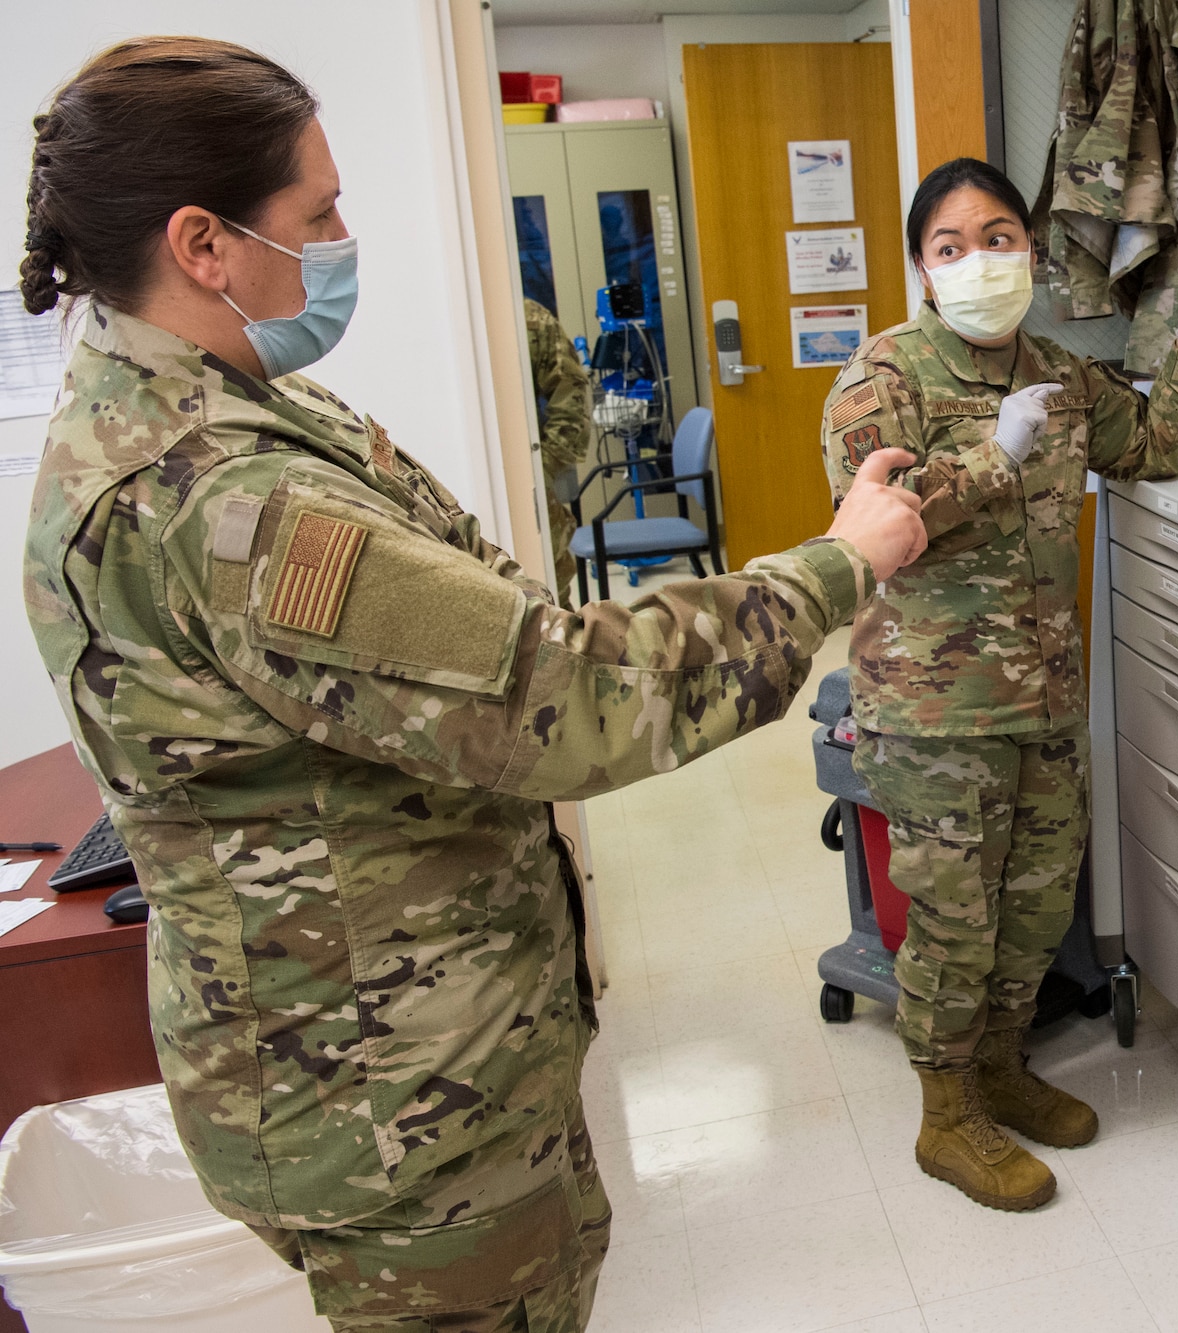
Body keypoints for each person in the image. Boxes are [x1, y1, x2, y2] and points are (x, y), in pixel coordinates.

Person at [18, 38, 926, 1333]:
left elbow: (491, 603)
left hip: (431, 1059)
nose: (343, 236)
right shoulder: (218, 497)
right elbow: (567, 693)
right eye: (317, 212)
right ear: (202, 245)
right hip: (395, 1110)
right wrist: (839, 568)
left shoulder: (251, 412)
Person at [819, 156, 1178, 1212]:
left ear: (1031, 251)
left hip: (1047, 699)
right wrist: (989, 460)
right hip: (932, 714)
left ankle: (1002, 1065)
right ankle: (943, 1109)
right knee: (955, 917)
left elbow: (1147, 447)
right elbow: (881, 531)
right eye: (951, 246)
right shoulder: (878, 381)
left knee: (1035, 904)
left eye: (999, 237)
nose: (980, 261)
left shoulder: (1055, 375)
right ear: (922, 271)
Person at [524, 297, 592, 607]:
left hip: (530, 483)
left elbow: (571, 395)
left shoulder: (528, 319)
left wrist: (545, 466)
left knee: (553, 607)